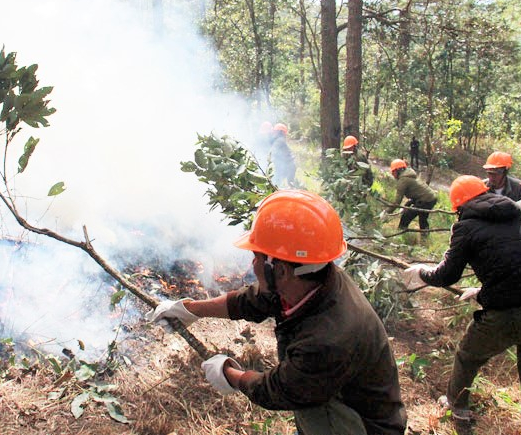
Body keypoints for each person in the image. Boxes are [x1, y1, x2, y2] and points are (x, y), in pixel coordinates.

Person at [148, 190, 407, 435]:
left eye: (257, 256)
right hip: (334, 400)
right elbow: (254, 300)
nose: (252, 263)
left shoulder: (327, 339)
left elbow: (280, 390)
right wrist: (189, 309)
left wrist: (228, 373)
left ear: (280, 270)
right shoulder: (313, 278)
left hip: (361, 426)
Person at [403, 175, 521, 433]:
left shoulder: (466, 226)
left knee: (468, 356)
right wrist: (482, 290)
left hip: (507, 314)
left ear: (460, 207)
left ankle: (457, 408)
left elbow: (447, 275)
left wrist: (422, 272)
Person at [384, 159, 438, 230]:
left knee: (406, 216)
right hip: (431, 198)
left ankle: (401, 232)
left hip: (425, 199)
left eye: (393, 171)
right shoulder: (409, 175)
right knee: (423, 219)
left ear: (398, 170)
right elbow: (416, 193)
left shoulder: (403, 180)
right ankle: (425, 237)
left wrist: (386, 212)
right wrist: (406, 205)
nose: (392, 174)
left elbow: (397, 201)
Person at [269, 123, 296, 187]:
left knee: (278, 184)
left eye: (275, 131)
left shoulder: (279, 141)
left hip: (287, 166)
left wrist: (270, 161)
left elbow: (273, 151)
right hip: (288, 165)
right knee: (286, 184)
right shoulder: (280, 140)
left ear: (279, 132)